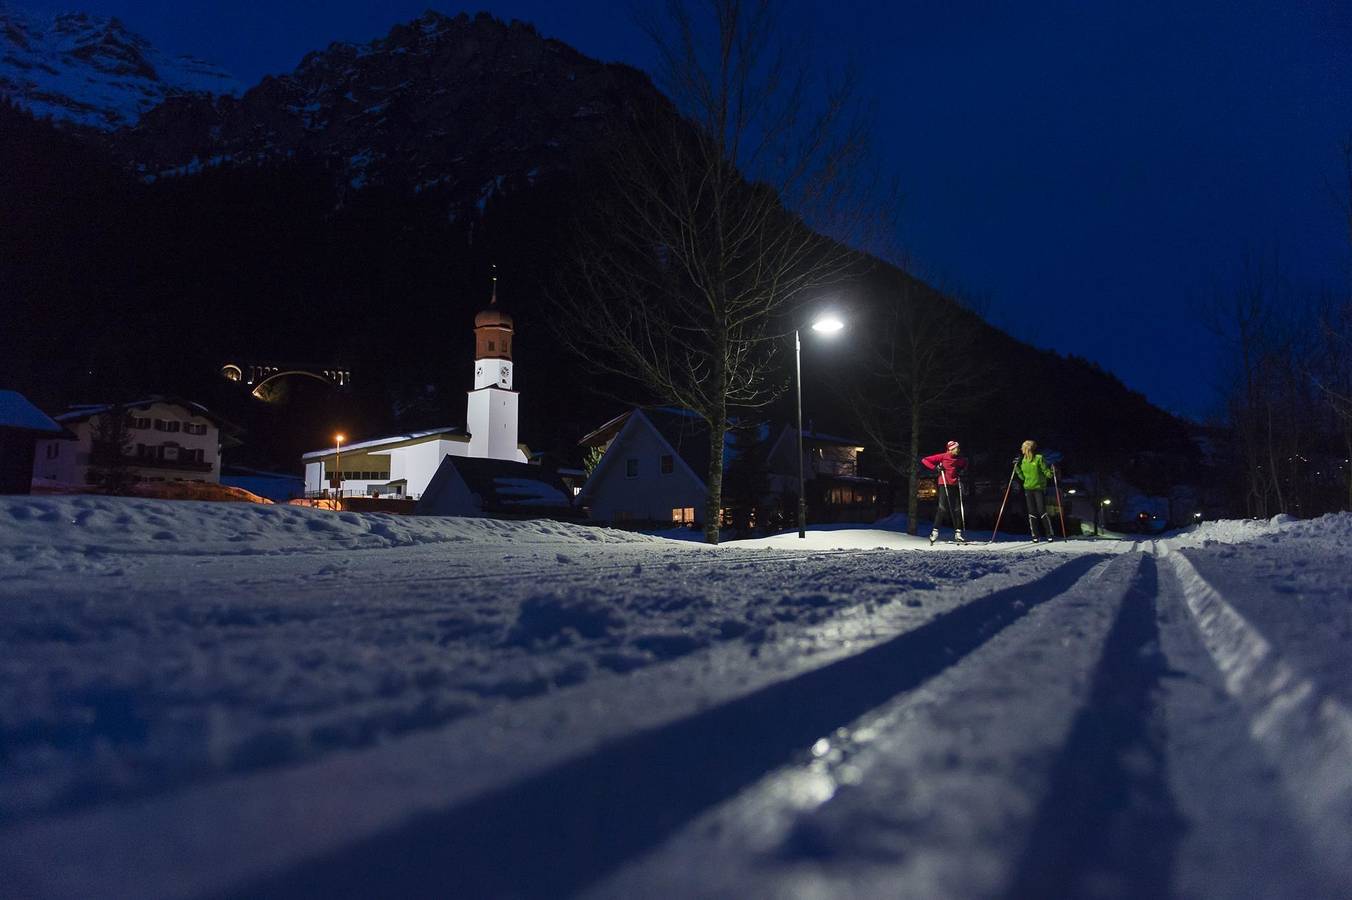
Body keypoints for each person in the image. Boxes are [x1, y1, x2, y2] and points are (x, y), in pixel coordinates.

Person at [922, 440, 969, 544]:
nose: (958, 450)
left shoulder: (959, 459)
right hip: (944, 483)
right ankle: (934, 532)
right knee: (942, 508)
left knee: (957, 509)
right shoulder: (943, 456)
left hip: (955, 484)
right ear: (951, 449)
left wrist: (962, 469)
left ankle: (958, 534)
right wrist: (936, 467)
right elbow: (925, 460)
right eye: (956, 448)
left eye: (958, 448)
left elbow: (965, 463)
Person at [1015, 440, 1057, 541]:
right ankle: (1035, 535)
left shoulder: (1039, 458)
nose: (1021, 449)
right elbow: (1022, 477)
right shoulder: (1023, 461)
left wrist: (1051, 472)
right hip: (1028, 488)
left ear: (1027, 448)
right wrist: (1016, 468)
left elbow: (1045, 471)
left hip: (1039, 488)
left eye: (1023, 447)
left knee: (1042, 510)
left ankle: (1049, 534)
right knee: (1031, 512)